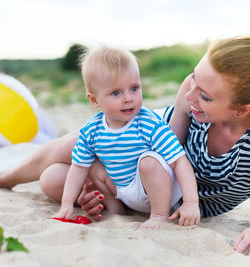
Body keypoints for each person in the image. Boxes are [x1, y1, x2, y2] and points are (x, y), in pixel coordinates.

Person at [0, 36, 249, 247]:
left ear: (241, 110)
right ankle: (8, 178)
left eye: (205, 96)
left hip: (168, 194)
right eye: (194, 77)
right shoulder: (189, 94)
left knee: (53, 178)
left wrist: (106, 184)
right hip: (144, 159)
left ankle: (111, 202)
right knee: (68, 153)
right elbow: (163, 154)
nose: (188, 94)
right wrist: (104, 174)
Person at [53, 46, 200, 229]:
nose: (128, 98)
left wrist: (191, 202)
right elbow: (77, 168)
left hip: (156, 190)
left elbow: (179, 161)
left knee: (149, 162)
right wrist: (67, 203)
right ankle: (116, 210)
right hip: (122, 190)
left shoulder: (148, 124)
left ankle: (159, 215)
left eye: (134, 88)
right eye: (116, 93)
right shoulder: (91, 130)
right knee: (89, 164)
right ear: (94, 100)